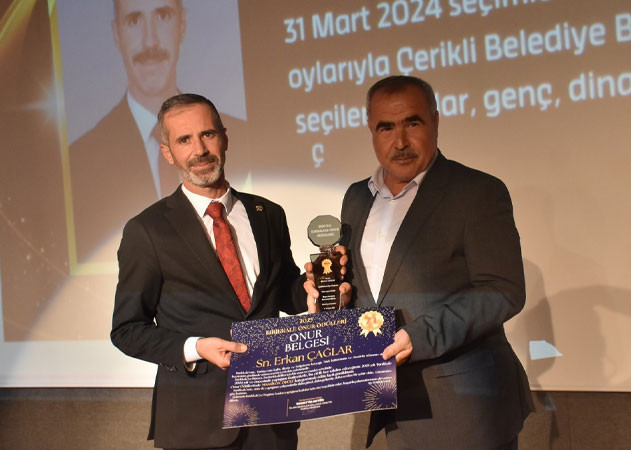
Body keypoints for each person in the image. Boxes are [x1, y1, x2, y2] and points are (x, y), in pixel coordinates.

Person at [110, 93, 349, 449]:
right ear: (168, 153)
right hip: (196, 423)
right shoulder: (147, 230)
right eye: (184, 140)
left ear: (224, 138)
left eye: (207, 134)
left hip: (270, 415)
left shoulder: (268, 213)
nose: (199, 150)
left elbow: (283, 293)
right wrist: (195, 348)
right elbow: (127, 330)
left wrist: (320, 284)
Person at [340, 76, 533, 449]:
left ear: (435, 121)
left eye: (412, 123)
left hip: (466, 412)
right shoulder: (357, 198)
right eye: (386, 127)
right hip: (392, 408)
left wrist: (418, 337)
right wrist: (335, 297)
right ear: (371, 130)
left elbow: (503, 291)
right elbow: (366, 290)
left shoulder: (477, 192)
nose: (400, 142)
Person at [68, 0, 247, 262]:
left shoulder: (264, 211)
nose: (150, 41)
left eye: (162, 16)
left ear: (182, 25)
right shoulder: (79, 161)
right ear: (117, 34)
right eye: (134, 21)